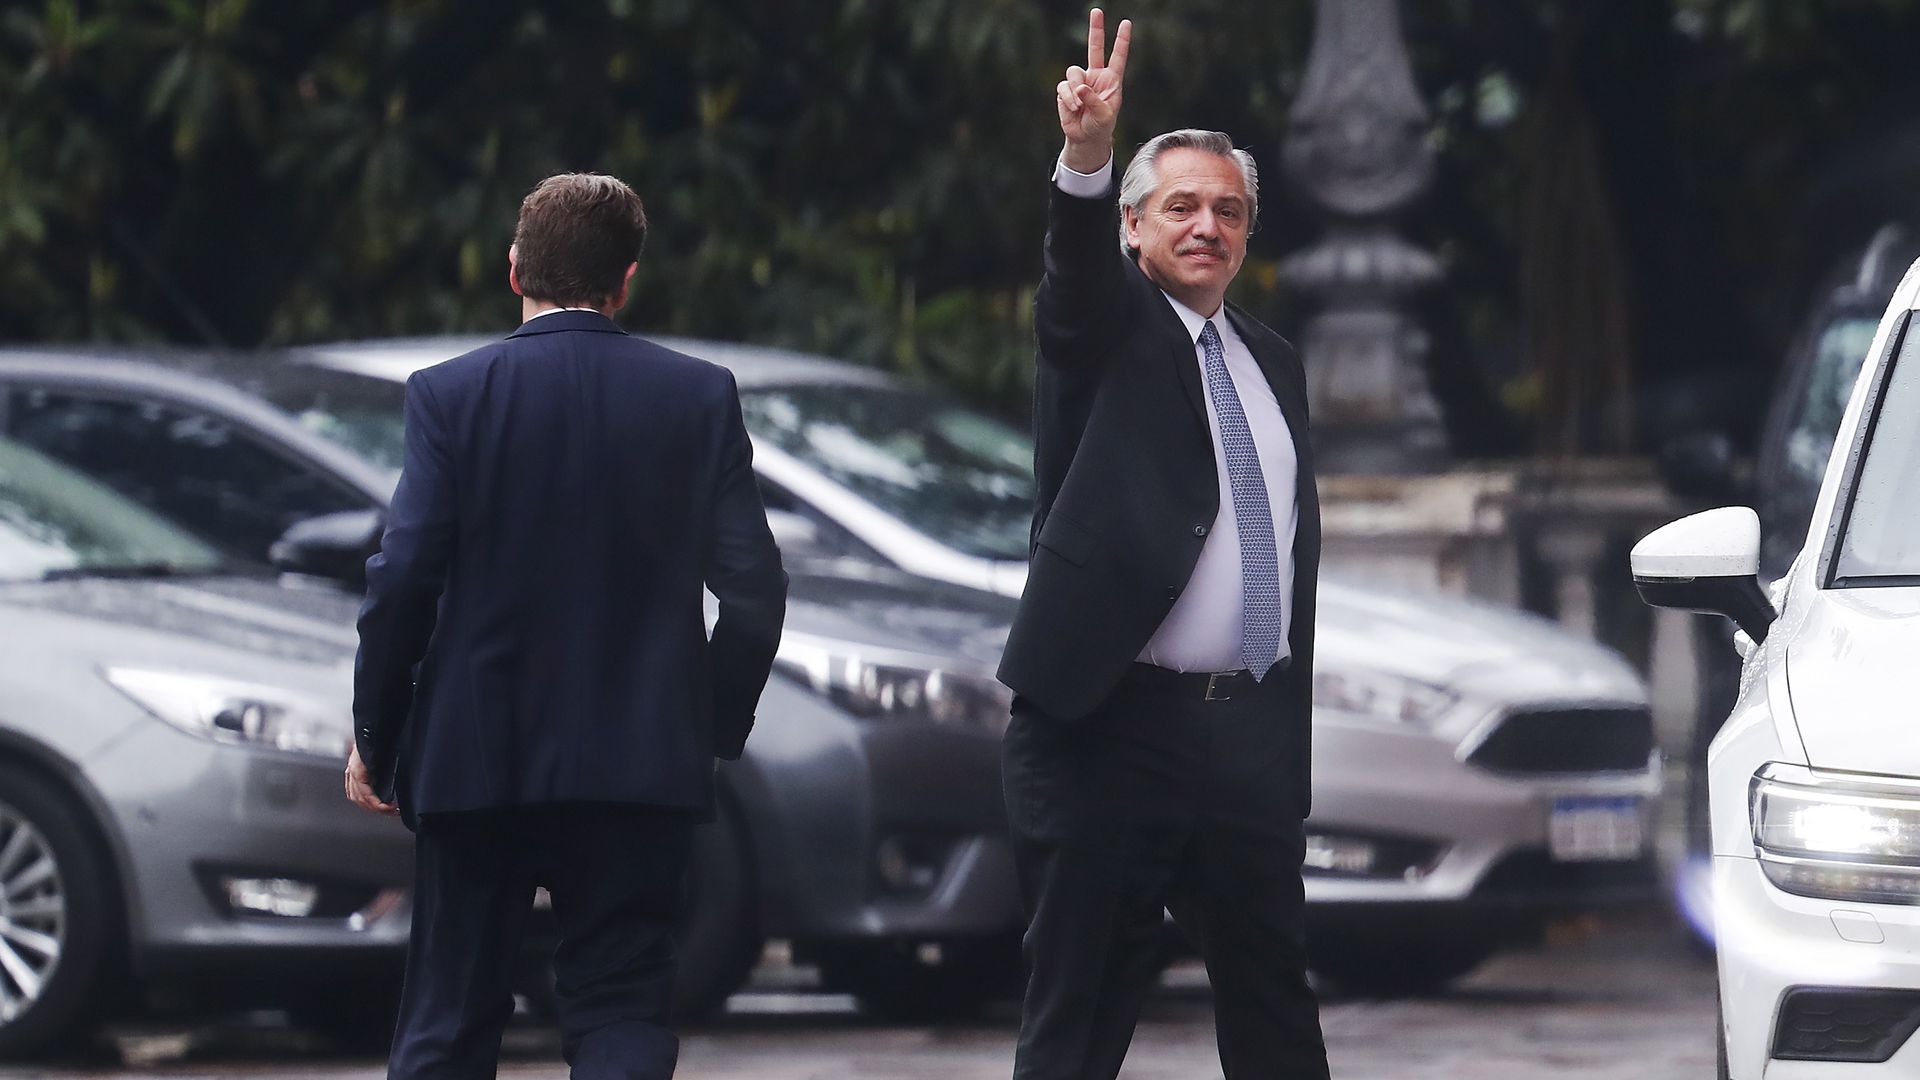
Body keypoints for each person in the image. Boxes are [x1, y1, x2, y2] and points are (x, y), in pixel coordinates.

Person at [344, 172, 788, 1080]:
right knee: (621, 1007)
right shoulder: (698, 396)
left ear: (514, 271)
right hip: (639, 764)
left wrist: (377, 739)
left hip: (478, 759)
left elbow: (403, 582)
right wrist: (704, 724)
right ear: (626, 281)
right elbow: (755, 592)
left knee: (449, 1015)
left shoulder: (450, 395)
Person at [995, 10, 1330, 1079]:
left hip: (1244, 744)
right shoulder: (1108, 331)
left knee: (1278, 1016)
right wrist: (1088, 155)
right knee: (1079, 1022)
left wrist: (1284, 757)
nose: (1207, 226)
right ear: (1134, 228)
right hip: (1110, 730)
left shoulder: (1272, 361)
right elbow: (1073, 279)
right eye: (1180, 206)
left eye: (1228, 211)